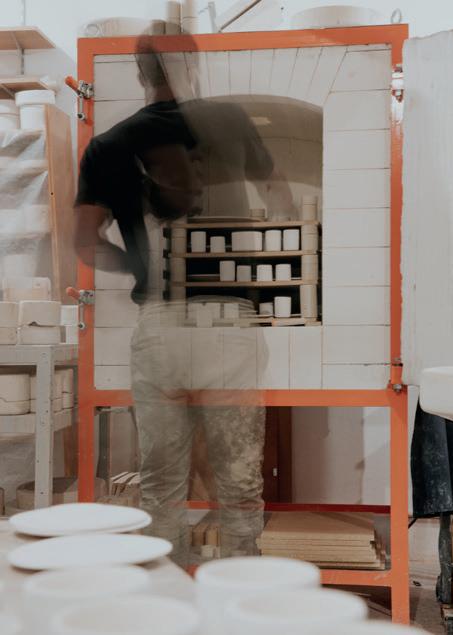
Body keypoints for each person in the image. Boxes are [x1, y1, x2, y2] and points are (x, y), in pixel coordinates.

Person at [74, 27, 295, 566]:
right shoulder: (230, 121)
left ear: (140, 73)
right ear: (193, 65)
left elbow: (83, 241)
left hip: (161, 326)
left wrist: (140, 265)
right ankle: (240, 592)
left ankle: (166, 595)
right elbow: (281, 197)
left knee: (161, 486)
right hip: (229, 322)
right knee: (238, 481)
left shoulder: (108, 145)